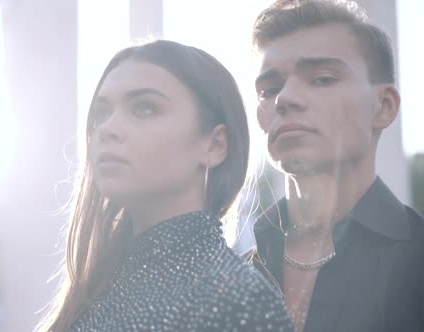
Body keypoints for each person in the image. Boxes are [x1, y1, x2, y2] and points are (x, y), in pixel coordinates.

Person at [35, 40, 294, 332]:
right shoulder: (95, 290)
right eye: (101, 113)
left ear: (214, 145)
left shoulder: (239, 301)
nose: (107, 128)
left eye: (144, 109)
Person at [250, 1, 424, 331]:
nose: (284, 98)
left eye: (322, 79)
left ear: (383, 106)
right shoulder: (232, 276)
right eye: (269, 89)